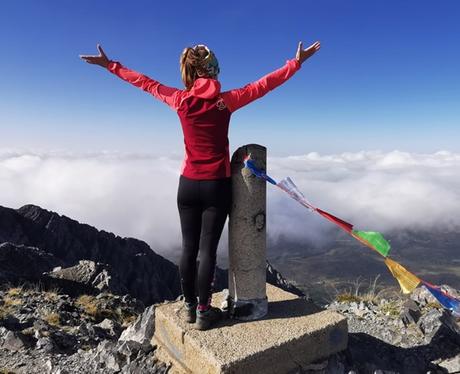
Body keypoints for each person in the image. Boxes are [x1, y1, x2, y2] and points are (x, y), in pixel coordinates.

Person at [80, 40, 320, 330]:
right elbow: (264, 85)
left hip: (188, 185)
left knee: (188, 248)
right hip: (216, 186)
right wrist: (295, 63)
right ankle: (204, 312)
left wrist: (110, 65)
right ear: (214, 71)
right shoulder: (226, 102)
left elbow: (145, 83)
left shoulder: (181, 100)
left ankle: (189, 308)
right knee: (207, 250)